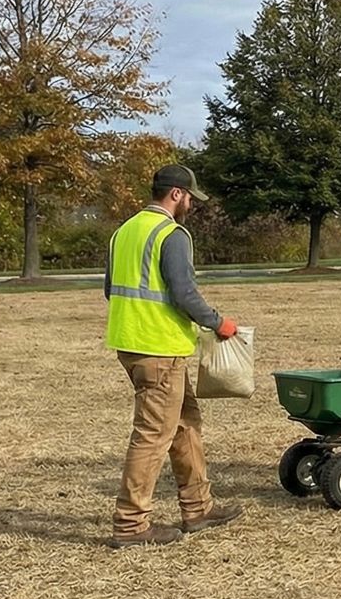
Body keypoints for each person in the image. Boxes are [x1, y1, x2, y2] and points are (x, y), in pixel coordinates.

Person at [102, 164, 243, 548]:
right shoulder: (171, 234)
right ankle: (131, 524)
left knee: (185, 422)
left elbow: (109, 289)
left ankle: (198, 507)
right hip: (159, 348)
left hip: (132, 345)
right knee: (152, 435)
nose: (191, 207)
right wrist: (218, 323)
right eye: (190, 199)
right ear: (177, 194)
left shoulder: (123, 232)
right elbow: (184, 294)